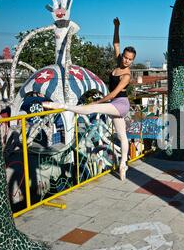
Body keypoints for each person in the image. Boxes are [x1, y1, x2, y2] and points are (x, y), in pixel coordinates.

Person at [43, 17, 135, 181]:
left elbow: (114, 94)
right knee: (122, 136)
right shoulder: (118, 61)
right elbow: (116, 44)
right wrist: (116, 27)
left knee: (91, 108)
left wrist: (98, 102)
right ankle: (123, 166)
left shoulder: (127, 75)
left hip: (120, 104)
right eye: (125, 57)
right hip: (113, 104)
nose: (126, 60)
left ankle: (60, 105)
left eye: (130, 59)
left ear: (132, 60)